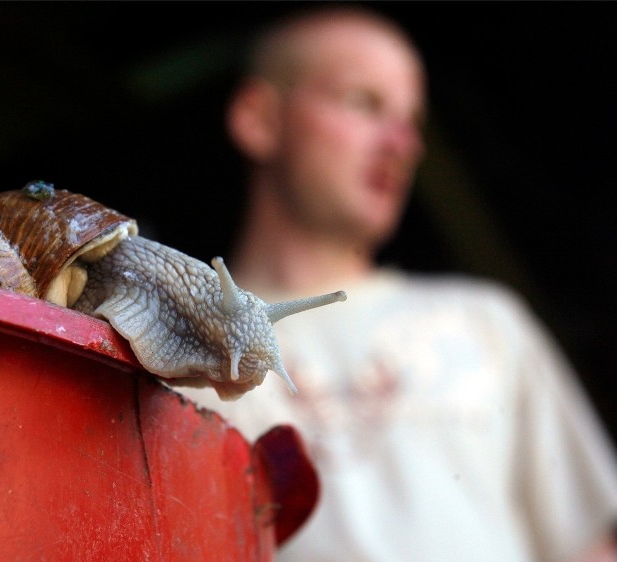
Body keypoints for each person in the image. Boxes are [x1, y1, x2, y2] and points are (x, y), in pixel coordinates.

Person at [179, 6, 617, 562]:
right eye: (364, 102)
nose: (403, 143)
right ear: (259, 118)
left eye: (411, 120)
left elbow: (586, 547)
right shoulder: (183, 358)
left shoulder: (486, 322)